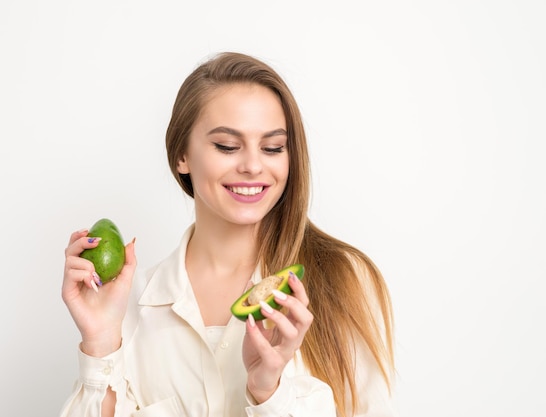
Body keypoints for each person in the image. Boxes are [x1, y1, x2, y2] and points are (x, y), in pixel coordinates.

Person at [60, 52, 396, 417]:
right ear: (182, 156)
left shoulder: (344, 280)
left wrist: (269, 391)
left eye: (272, 148)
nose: (253, 165)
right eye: (226, 146)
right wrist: (101, 341)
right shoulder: (127, 306)